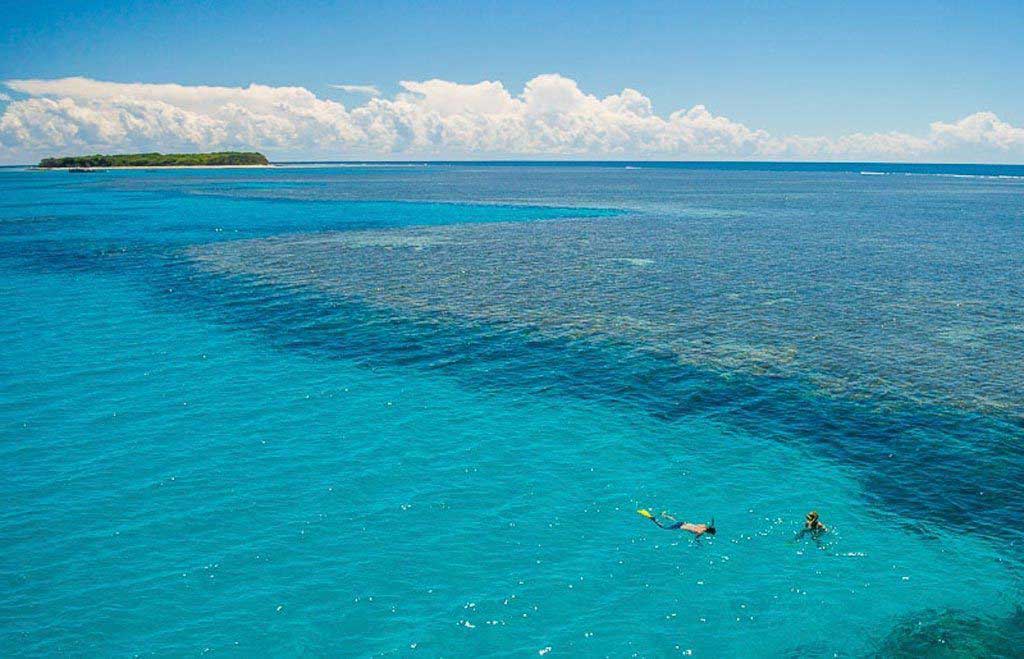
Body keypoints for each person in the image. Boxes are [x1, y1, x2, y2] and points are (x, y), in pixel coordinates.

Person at [637, 509, 716, 537]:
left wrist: (712, 524)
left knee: (674, 520)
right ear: (708, 532)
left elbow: (709, 526)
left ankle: (664, 515)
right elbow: (696, 538)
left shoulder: (704, 525)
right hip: (679, 527)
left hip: (683, 523)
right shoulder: (700, 532)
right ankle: (651, 517)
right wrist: (698, 541)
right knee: (663, 527)